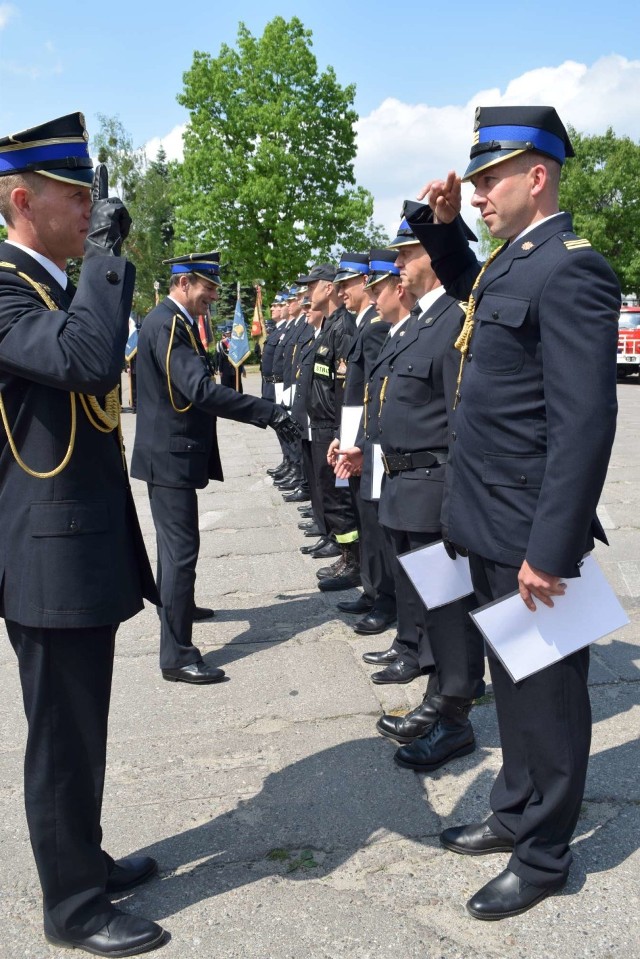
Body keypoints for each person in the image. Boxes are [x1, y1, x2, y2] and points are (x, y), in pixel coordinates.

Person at [408, 105, 620, 919]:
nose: (480, 191)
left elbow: (584, 423)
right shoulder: (510, 261)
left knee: (550, 699)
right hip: (487, 518)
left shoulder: (572, 268)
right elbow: (473, 292)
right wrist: (445, 228)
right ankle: (513, 808)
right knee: (513, 679)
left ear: (538, 176)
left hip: (532, 527)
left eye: (491, 178)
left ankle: (543, 854)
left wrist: (553, 548)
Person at [0, 113, 166, 956]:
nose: (93, 207)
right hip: (43, 557)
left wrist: (88, 265)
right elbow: (92, 361)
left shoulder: (44, 287)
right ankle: (72, 907)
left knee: (83, 724)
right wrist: (104, 259)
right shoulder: (2, 287)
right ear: (23, 201)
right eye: (78, 196)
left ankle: (84, 860)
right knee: (62, 739)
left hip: (74, 544)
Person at [131, 253, 300, 685]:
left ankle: (181, 609)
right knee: (179, 554)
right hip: (169, 456)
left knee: (177, 552)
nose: (213, 296)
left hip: (170, 454)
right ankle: (177, 655)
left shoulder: (176, 321)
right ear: (184, 283)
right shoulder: (169, 323)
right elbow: (199, 391)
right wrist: (268, 412)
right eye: (208, 288)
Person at [329, 252, 396, 634]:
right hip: (357, 436)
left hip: (368, 440)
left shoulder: (375, 326)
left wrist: (358, 442)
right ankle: (373, 591)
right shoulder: (364, 324)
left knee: (373, 522)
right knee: (365, 518)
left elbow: (374, 392)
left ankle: (383, 598)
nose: (343, 292)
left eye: (351, 284)